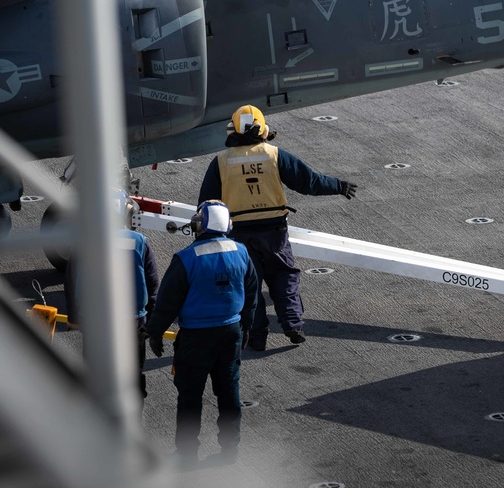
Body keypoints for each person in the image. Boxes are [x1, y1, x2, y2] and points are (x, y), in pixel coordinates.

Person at [198, 105, 358, 351]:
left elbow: (206, 204)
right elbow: (309, 182)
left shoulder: (220, 161)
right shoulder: (274, 155)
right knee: (284, 276)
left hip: (238, 235)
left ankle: (257, 337)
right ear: (263, 129)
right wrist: (338, 185)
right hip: (274, 232)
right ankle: (293, 326)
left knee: (249, 286)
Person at [146, 200, 258, 468]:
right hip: (230, 333)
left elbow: (167, 303)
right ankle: (230, 450)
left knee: (189, 397)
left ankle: (186, 454)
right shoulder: (241, 252)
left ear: (199, 224)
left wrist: (155, 333)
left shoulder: (186, 258)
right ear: (228, 225)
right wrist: (247, 326)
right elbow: (252, 293)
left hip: (195, 338)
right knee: (229, 391)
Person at [64, 189, 159, 407]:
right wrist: (151, 323)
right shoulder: (140, 241)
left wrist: (74, 317)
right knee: (133, 380)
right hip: (133, 321)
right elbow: (153, 285)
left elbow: (71, 281)